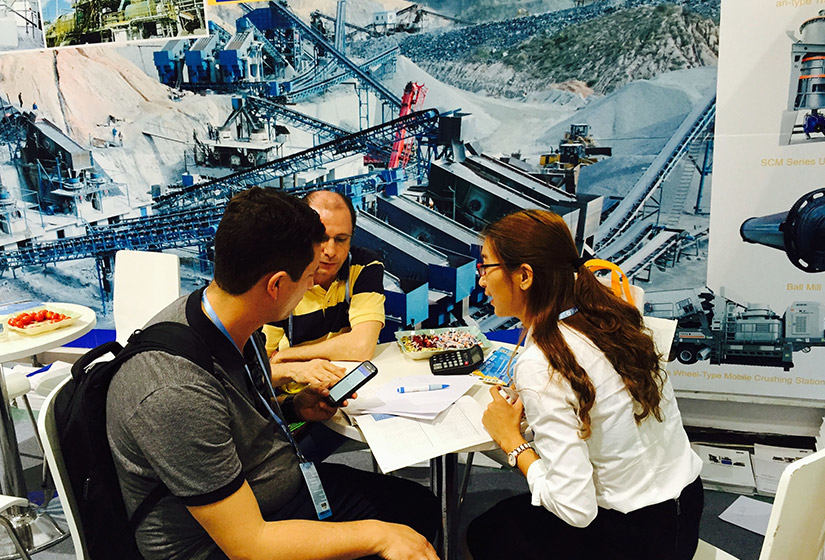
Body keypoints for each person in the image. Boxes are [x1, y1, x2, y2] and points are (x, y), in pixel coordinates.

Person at [106, 187, 439, 560]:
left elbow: (233, 416)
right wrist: (378, 536)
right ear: (277, 285)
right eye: (309, 276)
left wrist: (294, 408)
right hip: (218, 544)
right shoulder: (175, 391)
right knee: (403, 528)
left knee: (416, 508)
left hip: (273, 490)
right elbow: (250, 544)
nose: (313, 284)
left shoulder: (226, 318)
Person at [466, 209, 703, 560]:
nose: (481, 280)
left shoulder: (543, 362)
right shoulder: (611, 317)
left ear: (525, 276)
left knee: (485, 532)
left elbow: (576, 510)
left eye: (486, 266)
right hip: (685, 511)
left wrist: (512, 442)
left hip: (632, 541)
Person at [264, 190, 385, 392]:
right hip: (294, 397)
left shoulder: (364, 266)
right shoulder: (281, 281)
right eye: (321, 238)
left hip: (345, 387)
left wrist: (288, 355)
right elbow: (258, 371)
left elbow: (362, 345)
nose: (330, 251)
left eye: (341, 239)